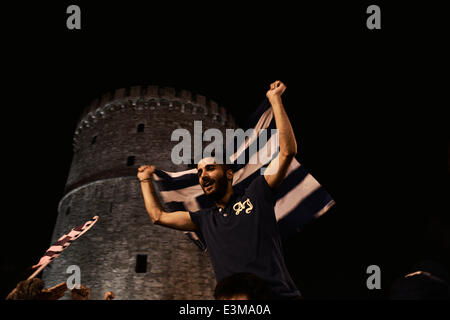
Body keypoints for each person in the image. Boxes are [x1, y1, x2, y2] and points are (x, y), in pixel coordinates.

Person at [138, 80, 301, 299]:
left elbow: (287, 152)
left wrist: (275, 100)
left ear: (229, 174)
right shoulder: (204, 220)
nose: (203, 175)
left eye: (210, 168)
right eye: (199, 172)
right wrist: (145, 181)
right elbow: (157, 216)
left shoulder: (256, 194)